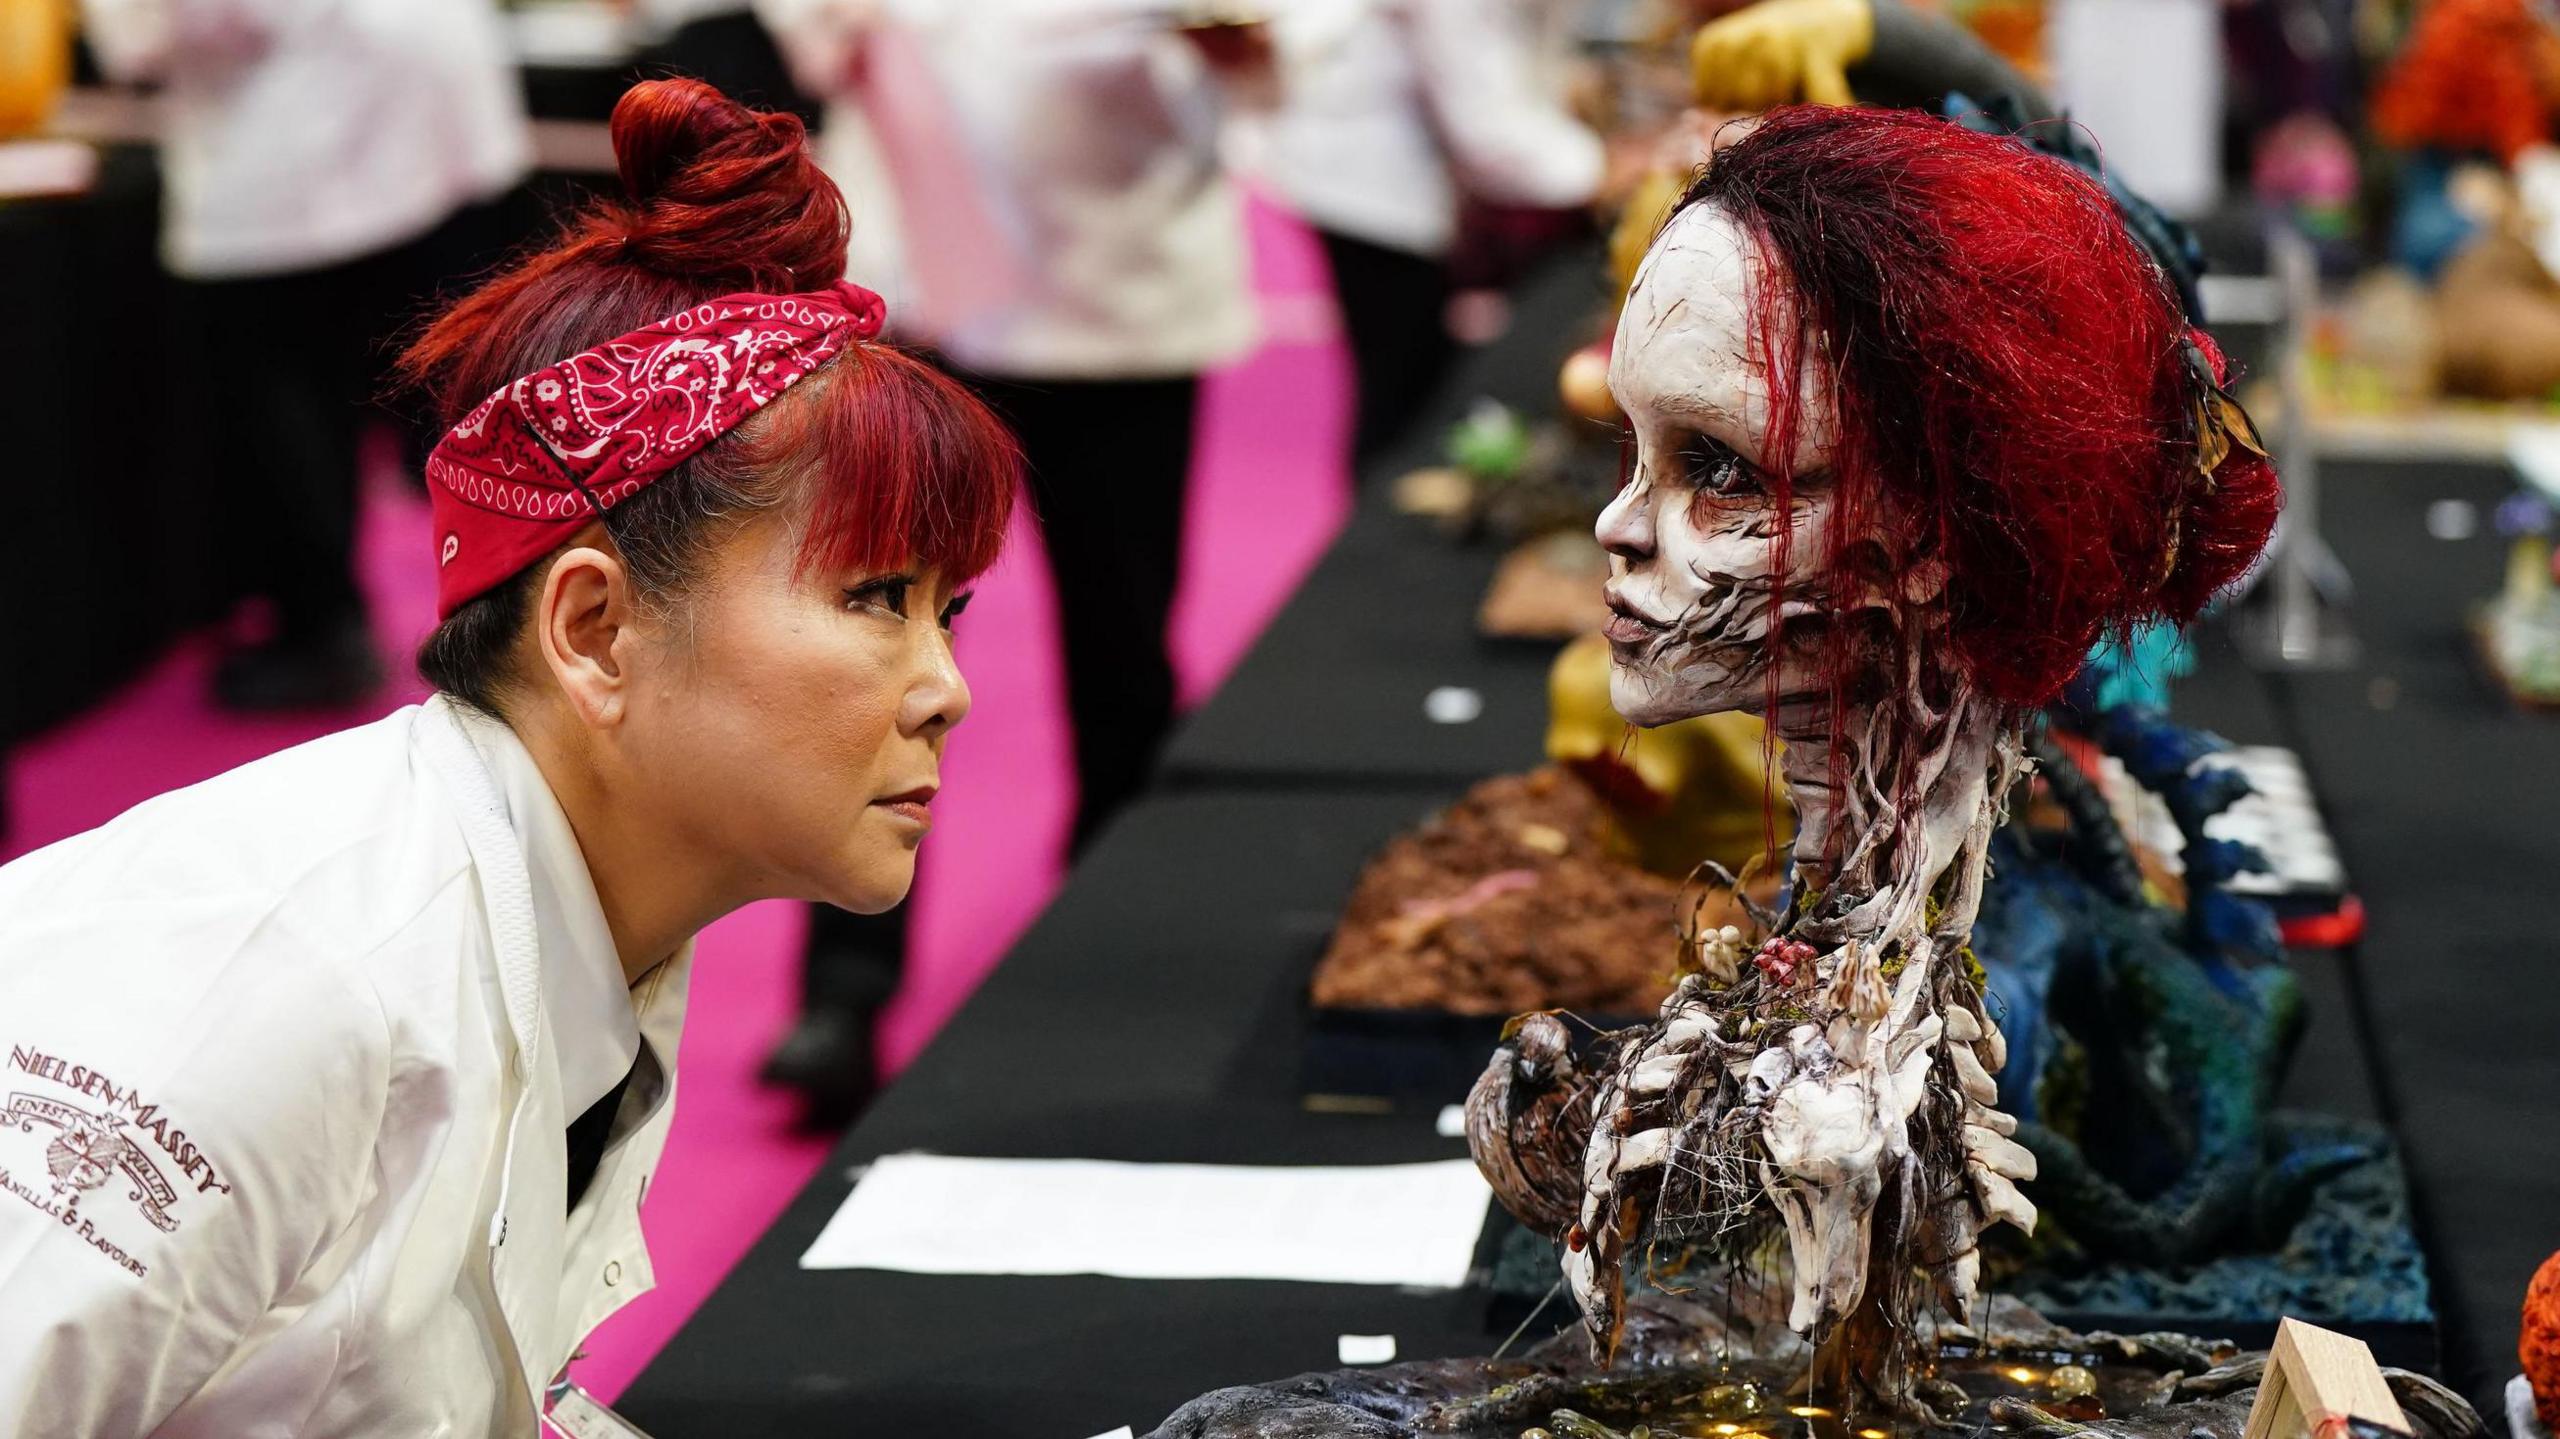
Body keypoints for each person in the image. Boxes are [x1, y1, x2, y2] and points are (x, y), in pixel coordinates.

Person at [0, 79, 1018, 1434]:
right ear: (594, 627)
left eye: (946, 610)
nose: (945, 689)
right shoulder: (286, 998)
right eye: (874, 596)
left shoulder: (572, 910)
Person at [77, 0, 536, 711]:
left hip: (301, 126)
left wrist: (135, 33)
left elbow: (203, 16)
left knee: (289, 395)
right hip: (374, 103)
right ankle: (473, 618)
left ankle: (325, 627)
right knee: (384, 387)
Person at [1246, 0, 1607, 466]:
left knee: (1401, 386)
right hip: (1378, 194)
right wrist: (1601, 170)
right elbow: (1485, 130)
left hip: (1374, 179)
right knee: (1404, 398)